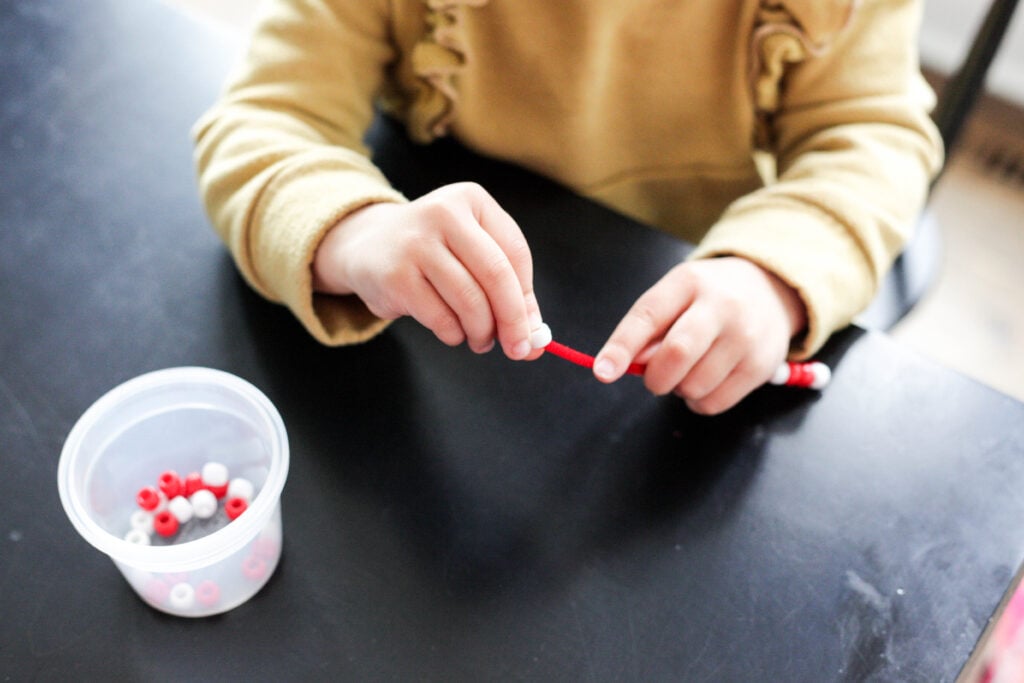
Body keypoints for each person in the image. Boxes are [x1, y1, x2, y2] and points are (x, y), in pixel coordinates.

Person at [193, 0, 943, 414]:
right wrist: (356, 234)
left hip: (691, 314)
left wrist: (771, 277)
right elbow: (264, 121)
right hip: (433, 352)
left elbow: (871, 137)